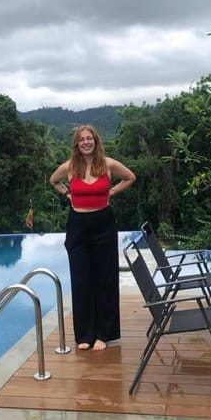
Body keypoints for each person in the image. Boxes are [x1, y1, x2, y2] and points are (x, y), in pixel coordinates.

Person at [49, 124, 136, 351]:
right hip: (78, 227)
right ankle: (85, 335)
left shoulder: (108, 164)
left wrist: (112, 192)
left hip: (103, 225)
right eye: (81, 139)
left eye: (89, 138)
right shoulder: (69, 167)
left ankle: (104, 335)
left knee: (105, 280)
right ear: (77, 144)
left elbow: (130, 177)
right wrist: (68, 194)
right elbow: (53, 181)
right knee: (81, 281)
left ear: (96, 141)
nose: (86, 142)